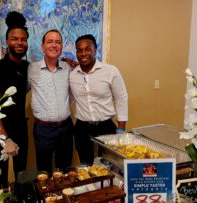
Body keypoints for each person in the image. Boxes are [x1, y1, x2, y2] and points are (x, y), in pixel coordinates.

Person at [0, 11, 29, 189]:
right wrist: (6, 138)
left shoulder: (27, 67)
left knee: (22, 175)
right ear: (7, 42)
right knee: (0, 176)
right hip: (0, 130)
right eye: (14, 39)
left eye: (23, 39)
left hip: (21, 126)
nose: (19, 42)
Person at [69, 34, 128, 165]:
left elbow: (121, 99)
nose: (83, 53)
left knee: (108, 165)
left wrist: (121, 130)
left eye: (88, 49)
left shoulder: (110, 71)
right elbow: (69, 99)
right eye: (79, 50)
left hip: (106, 127)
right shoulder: (72, 75)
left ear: (95, 49)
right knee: (86, 166)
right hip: (82, 129)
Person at [28, 29, 74, 174]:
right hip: (43, 130)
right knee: (44, 172)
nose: (54, 45)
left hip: (66, 128)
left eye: (58, 42)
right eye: (50, 42)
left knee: (65, 170)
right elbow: (16, 86)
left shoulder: (68, 68)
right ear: (42, 47)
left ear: (62, 46)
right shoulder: (31, 69)